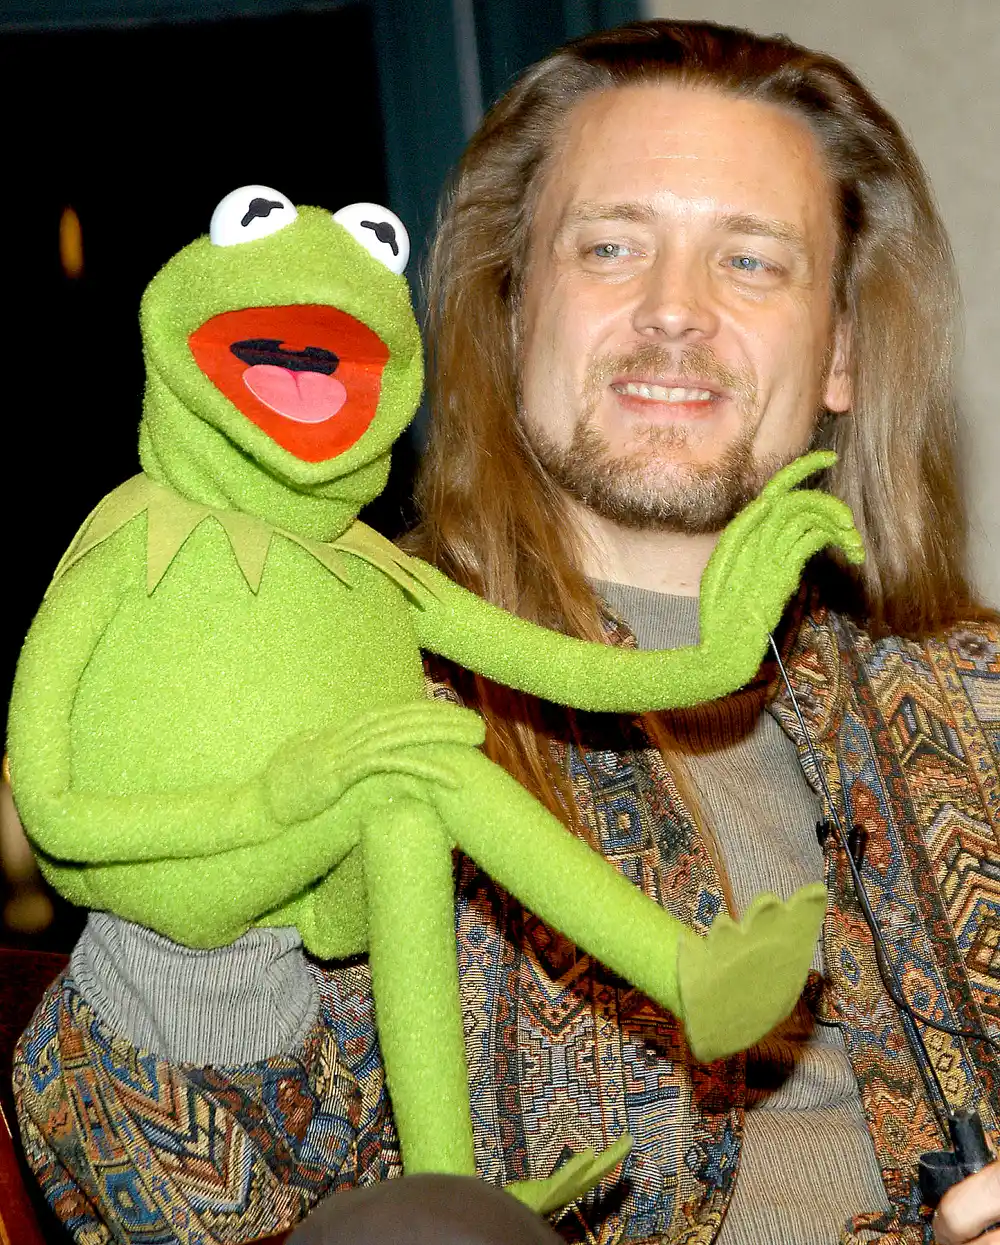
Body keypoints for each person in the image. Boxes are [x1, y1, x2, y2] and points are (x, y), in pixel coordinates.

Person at [11, 17, 1000, 1245]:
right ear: (513, 310)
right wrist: (201, 883)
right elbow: (171, 1197)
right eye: (609, 246)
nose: (674, 312)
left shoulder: (978, 696)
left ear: (842, 349)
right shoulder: (360, 672)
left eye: (750, 261)